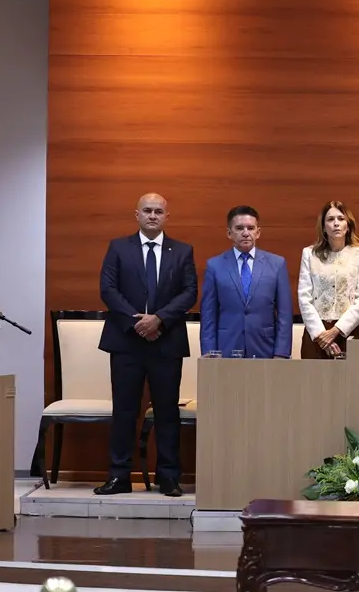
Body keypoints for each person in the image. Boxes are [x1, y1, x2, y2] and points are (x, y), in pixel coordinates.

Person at [96, 193, 197, 497]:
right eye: (147, 211)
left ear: (167, 216)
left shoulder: (182, 251)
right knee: (125, 410)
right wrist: (138, 322)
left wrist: (159, 320)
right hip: (127, 341)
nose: (153, 215)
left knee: (167, 412)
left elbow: (189, 292)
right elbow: (108, 289)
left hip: (166, 342)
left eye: (159, 211)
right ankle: (119, 476)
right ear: (137, 215)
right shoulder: (118, 247)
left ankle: (168, 477)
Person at [200, 205, 293, 359]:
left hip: (265, 349)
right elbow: (208, 314)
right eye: (239, 228)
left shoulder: (277, 264)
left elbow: (284, 313)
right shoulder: (214, 266)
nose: (245, 233)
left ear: (258, 232)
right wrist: (209, 351)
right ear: (229, 233)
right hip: (226, 350)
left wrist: (281, 353)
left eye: (250, 228)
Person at [297, 201, 359, 358]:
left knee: (354, 381)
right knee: (315, 380)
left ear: (348, 225)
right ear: (323, 227)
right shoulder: (310, 254)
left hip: (350, 330)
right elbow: (304, 298)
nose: (336, 223)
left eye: (341, 218)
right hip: (318, 333)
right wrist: (322, 335)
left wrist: (336, 331)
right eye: (330, 219)